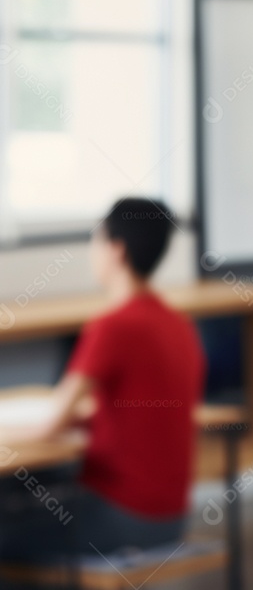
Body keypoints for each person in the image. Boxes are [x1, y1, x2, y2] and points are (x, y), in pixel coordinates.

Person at [0, 198, 205, 561]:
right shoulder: (179, 325)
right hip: (171, 519)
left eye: (96, 240)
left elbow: (48, 428)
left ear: (116, 249)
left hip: (120, 518)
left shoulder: (112, 327)